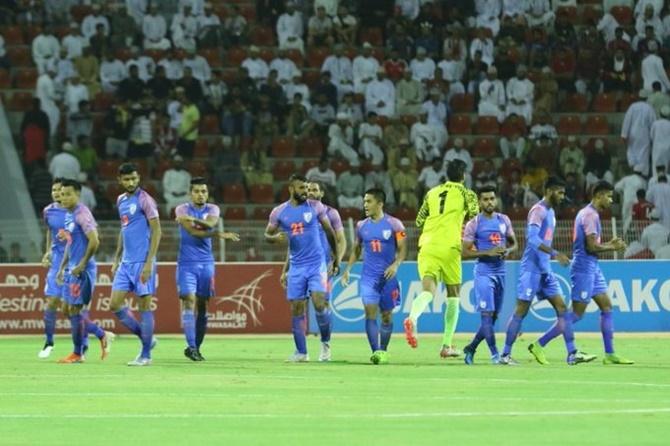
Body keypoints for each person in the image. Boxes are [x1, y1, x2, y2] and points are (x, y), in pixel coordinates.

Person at [530, 182, 633, 365]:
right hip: (583, 269)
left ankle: (610, 354)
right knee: (576, 315)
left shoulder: (591, 214)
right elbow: (591, 246)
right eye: (608, 196)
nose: (610, 200)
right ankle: (539, 344)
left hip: (592, 267)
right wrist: (612, 246)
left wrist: (609, 244)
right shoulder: (589, 215)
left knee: (607, 306)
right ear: (599, 195)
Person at [499, 176, 581, 365]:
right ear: (549, 191)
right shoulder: (538, 210)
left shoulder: (551, 213)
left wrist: (551, 258)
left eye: (563, 193)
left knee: (562, 308)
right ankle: (505, 355)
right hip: (531, 270)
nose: (562, 196)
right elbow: (533, 239)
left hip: (545, 269)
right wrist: (555, 253)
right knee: (521, 310)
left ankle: (572, 354)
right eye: (559, 192)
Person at [404, 160, 479, 357]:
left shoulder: (432, 192)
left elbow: (420, 220)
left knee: (428, 290)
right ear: (463, 175)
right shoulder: (467, 193)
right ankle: (446, 345)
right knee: (453, 295)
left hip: (427, 244)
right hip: (450, 247)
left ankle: (413, 317)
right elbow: (475, 215)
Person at [265, 175, 340, 362]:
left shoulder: (315, 207)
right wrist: (274, 239)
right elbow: (268, 234)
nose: (306, 191)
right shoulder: (279, 212)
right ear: (291, 189)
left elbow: (330, 232)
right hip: (297, 266)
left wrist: (336, 258)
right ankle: (301, 352)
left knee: (319, 302)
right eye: (302, 188)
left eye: (307, 188)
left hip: (317, 265)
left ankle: (325, 344)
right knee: (297, 308)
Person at [175, 177, 240, 361]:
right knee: (188, 300)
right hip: (186, 263)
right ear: (190, 193)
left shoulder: (213, 209)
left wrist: (194, 220)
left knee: (202, 305)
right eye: (196, 191)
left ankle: (197, 347)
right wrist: (218, 233)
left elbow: (210, 224)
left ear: (207, 193)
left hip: (206, 263)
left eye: (203, 191)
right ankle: (192, 346)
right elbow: (194, 232)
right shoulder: (181, 209)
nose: (200, 194)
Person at [341, 188, 407, 364]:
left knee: (386, 316)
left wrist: (396, 264)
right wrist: (347, 268)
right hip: (368, 278)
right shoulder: (361, 226)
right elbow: (356, 248)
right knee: (370, 313)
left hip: (388, 278)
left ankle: (383, 351)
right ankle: (376, 351)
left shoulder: (395, 224)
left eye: (369, 201)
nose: (365, 205)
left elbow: (402, 249)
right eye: (364, 202)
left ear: (380, 203)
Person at [109, 163, 162, 366]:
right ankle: (147, 338)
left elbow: (157, 231)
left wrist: (149, 263)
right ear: (119, 180)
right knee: (114, 304)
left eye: (134, 178)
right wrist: (116, 258)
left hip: (142, 262)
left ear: (138, 177)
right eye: (126, 179)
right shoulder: (120, 200)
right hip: (126, 262)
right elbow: (125, 229)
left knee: (144, 307)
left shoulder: (145, 200)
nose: (131, 182)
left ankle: (146, 355)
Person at [54, 179, 111, 363]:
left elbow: (95, 241)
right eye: (62, 194)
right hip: (71, 269)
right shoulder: (69, 215)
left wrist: (82, 264)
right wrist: (62, 267)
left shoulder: (82, 214)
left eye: (68, 194)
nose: (63, 197)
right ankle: (100, 334)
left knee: (75, 310)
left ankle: (78, 353)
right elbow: (70, 243)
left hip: (82, 271)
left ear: (78, 194)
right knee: (66, 309)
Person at [461, 186, 517, 365]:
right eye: (485, 199)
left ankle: (471, 347)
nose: (489, 202)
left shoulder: (504, 220)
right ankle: (495, 355)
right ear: (479, 202)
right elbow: (464, 253)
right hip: (484, 273)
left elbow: (514, 244)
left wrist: (507, 251)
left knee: (492, 318)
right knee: (486, 315)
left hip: (501, 272)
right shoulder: (474, 224)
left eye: (492, 198)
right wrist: (488, 252)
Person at [621, 90, 657, 177]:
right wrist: (653, 138)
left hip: (632, 134)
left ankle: (634, 172)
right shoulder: (649, 108)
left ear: (638, 97)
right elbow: (653, 124)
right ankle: (642, 175)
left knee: (632, 152)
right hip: (644, 135)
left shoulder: (632, 107)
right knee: (643, 155)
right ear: (646, 98)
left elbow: (627, 121)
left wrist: (623, 135)